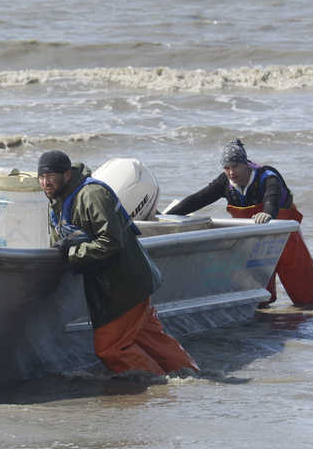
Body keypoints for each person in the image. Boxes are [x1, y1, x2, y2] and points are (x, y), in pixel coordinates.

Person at [37, 150, 198, 376]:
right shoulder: (56, 200)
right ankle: (191, 377)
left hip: (123, 285)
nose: (45, 182)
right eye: (41, 177)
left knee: (110, 348)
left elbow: (111, 241)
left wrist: (72, 254)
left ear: (66, 174)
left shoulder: (92, 194)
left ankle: (155, 385)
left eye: (50, 176)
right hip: (120, 285)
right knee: (148, 337)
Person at [165, 139, 313, 308]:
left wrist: (267, 214)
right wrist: (166, 216)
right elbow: (197, 200)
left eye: (235, 166)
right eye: (226, 167)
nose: (231, 172)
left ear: (246, 165)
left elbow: (272, 197)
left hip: (286, 239)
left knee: (306, 290)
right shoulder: (224, 183)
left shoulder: (268, 176)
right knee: (258, 296)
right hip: (253, 240)